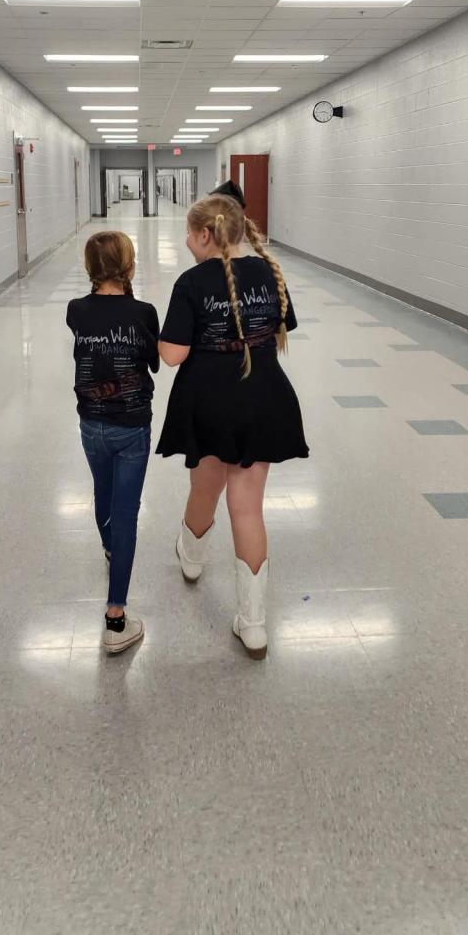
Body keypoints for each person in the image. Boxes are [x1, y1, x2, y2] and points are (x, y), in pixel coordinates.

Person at [156, 194, 308, 659]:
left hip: (210, 401)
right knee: (248, 508)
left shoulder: (192, 282)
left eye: (188, 233)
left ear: (205, 235)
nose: (186, 241)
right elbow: (285, 323)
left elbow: (173, 354)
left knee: (205, 488)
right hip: (264, 396)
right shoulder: (268, 272)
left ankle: (193, 557)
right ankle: (254, 624)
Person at [66, 231, 159, 654]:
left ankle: (109, 549)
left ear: (90, 269)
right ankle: (116, 618)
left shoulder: (76, 311)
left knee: (102, 493)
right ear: (129, 267)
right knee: (127, 514)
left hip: (91, 426)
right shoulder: (144, 313)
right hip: (131, 427)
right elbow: (154, 363)